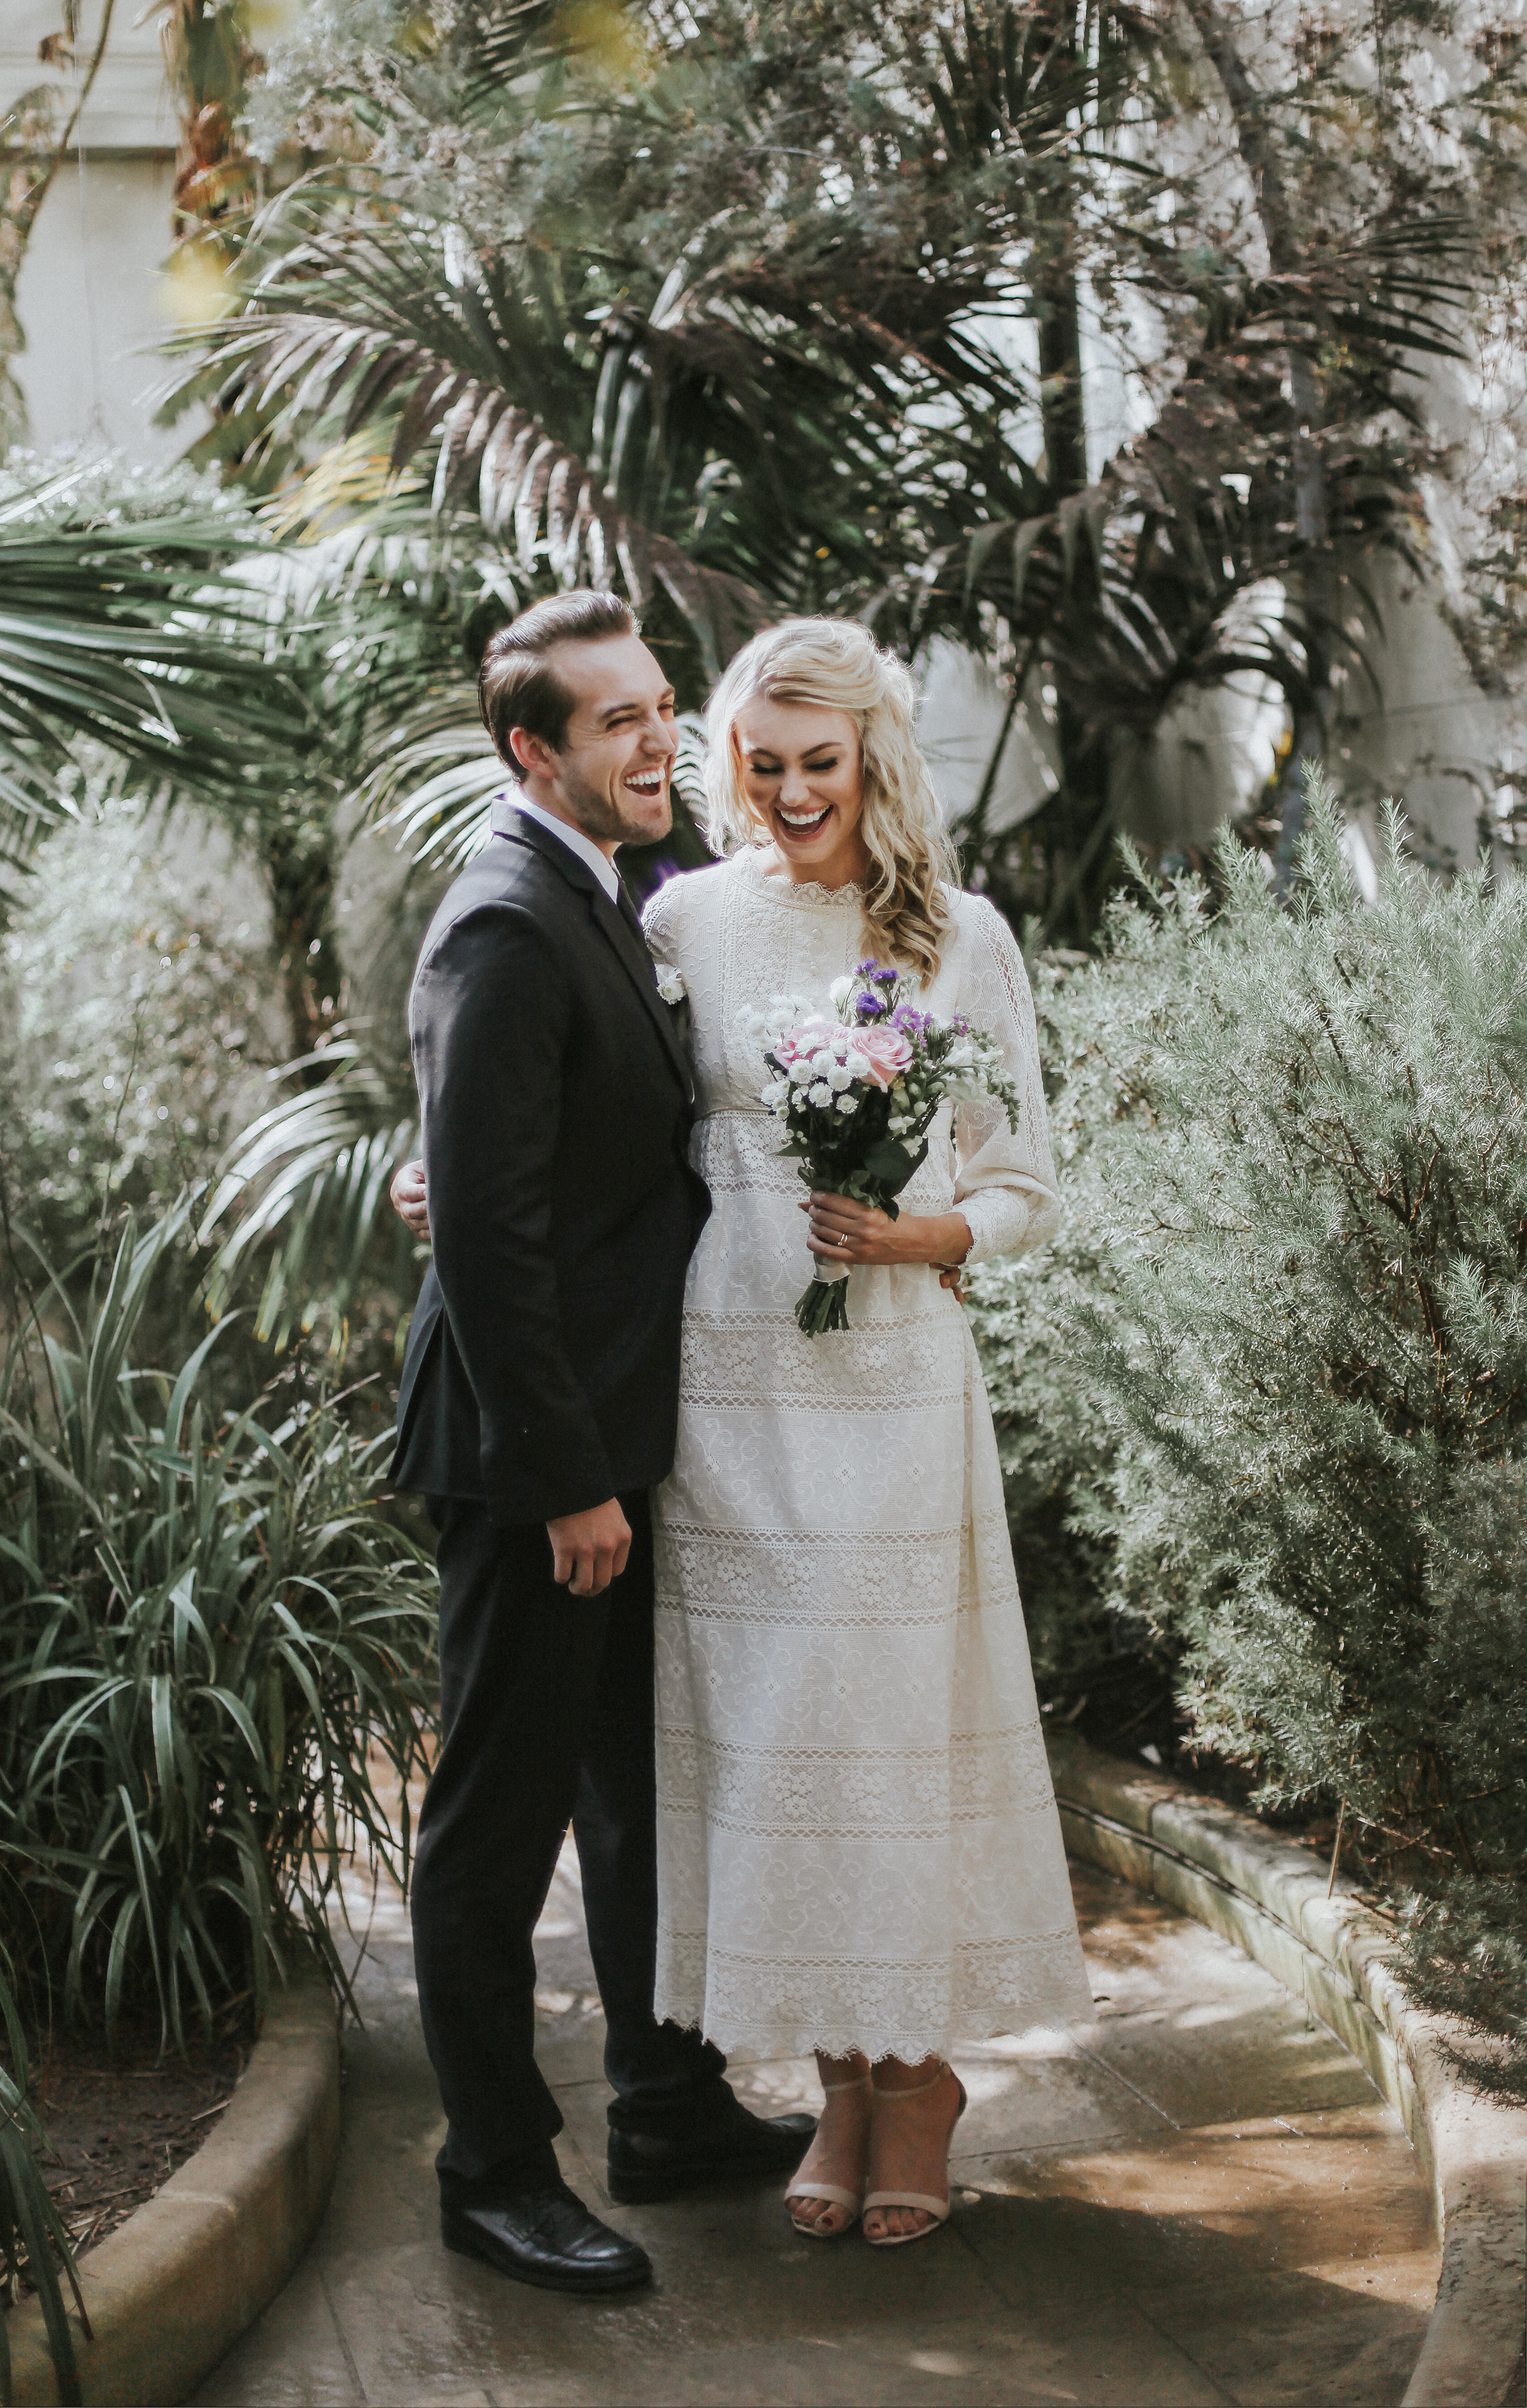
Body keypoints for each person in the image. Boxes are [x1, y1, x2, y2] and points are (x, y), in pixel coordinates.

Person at [638, 616, 1091, 2248]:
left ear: (872, 759)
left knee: (891, 1728)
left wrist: (919, 1240)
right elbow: (601, 1101)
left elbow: (1027, 1184)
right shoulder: (682, 916)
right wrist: (443, 1171)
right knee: (780, 1738)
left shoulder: (959, 935)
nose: (786, 792)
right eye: (760, 764)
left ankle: (922, 2080)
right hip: (732, 1378)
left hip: (896, 1377)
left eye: (817, 763)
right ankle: (840, 2079)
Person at [386, 591, 812, 2299]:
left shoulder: (608, 893)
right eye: (617, 721)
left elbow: (538, 1154)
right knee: (495, 1829)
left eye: (660, 707)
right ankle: (493, 2171)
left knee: (636, 1792)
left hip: (613, 1430)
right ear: (532, 753)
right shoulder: (503, 920)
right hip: (526, 1455)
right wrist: (565, 1477)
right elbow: (486, 1234)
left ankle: (667, 2101)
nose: (658, 741)